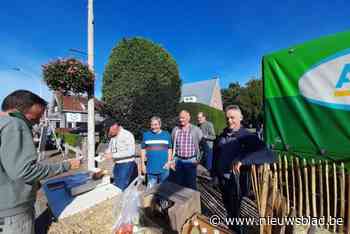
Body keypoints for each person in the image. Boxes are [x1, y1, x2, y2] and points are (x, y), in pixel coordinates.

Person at [0, 90, 81, 234]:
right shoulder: (15, 124)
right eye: (38, 115)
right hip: (12, 213)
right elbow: (24, 171)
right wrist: (66, 165)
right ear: (26, 106)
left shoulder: (3, 124)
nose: (39, 120)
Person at [171, 110, 203, 190]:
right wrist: (173, 159)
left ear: (189, 118)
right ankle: (181, 202)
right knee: (178, 184)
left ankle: (192, 202)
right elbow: (173, 144)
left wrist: (198, 159)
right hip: (179, 161)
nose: (181, 120)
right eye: (180, 118)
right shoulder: (175, 129)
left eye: (183, 118)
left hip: (191, 161)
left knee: (191, 184)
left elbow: (202, 145)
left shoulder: (196, 130)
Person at [103, 119, 137, 191]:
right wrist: (106, 152)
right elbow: (110, 148)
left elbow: (131, 152)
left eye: (109, 131)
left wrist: (113, 155)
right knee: (117, 185)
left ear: (114, 126)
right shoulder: (113, 136)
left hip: (126, 165)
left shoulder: (127, 135)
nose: (109, 133)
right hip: (117, 164)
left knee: (120, 187)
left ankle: (121, 201)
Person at [140, 116, 173, 188]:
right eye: (152, 125)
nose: (153, 127)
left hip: (164, 169)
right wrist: (143, 165)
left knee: (164, 191)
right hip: (151, 170)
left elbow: (169, 149)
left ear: (160, 125)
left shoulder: (167, 135)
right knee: (150, 193)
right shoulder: (146, 135)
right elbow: (143, 150)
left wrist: (169, 162)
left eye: (156, 125)